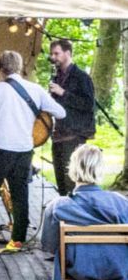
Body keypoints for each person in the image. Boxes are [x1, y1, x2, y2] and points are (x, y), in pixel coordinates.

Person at [0, 50, 65, 253]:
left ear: (1, 69)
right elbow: (61, 112)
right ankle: (17, 242)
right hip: (24, 151)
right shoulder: (36, 89)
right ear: (20, 67)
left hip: (0, 151)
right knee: (20, 195)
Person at [37, 144, 128, 280]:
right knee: (98, 252)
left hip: (80, 269)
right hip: (119, 269)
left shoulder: (58, 206)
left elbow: (49, 245)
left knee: (78, 254)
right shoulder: (120, 203)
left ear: (72, 170)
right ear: (100, 170)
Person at [47, 39, 97, 196]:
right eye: (52, 54)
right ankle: (63, 213)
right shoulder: (56, 76)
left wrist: (63, 93)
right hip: (58, 134)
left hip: (74, 134)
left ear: (68, 53)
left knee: (72, 179)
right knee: (60, 180)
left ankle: (73, 216)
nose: (53, 57)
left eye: (57, 53)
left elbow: (88, 104)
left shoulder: (81, 77)